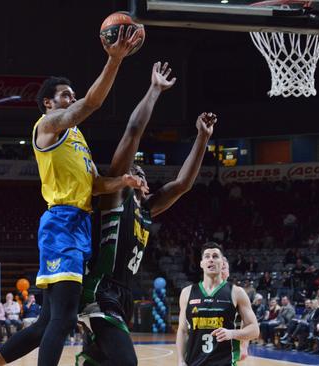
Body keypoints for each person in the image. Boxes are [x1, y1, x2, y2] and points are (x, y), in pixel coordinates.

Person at [0, 25, 143, 366]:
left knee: (45, 323)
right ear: (48, 103)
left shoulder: (77, 138)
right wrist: (114, 60)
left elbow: (96, 184)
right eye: (65, 94)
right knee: (64, 319)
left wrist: (122, 182)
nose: (71, 98)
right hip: (61, 223)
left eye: (72, 93)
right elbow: (92, 103)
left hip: (78, 223)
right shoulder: (49, 125)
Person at [77, 62, 216, 366]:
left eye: (141, 171)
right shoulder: (115, 197)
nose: (136, 173)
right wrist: (154, 90)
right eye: (132, 170)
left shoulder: (147, 208)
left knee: (98, 361)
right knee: (127, 362)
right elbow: (133, 131)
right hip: (100, 291)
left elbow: (182, 184)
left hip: (122, 295)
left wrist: (202, 138)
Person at [176, 242, 259, 366]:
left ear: (222, 263)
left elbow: (255, 330)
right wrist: (180, 360)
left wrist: (232, 334)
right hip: (194, 362)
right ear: (201, 263)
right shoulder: (187, 293)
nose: (211, 260)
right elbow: (182, 331)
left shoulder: (236, 292)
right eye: (207, 256)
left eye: (215, 256)